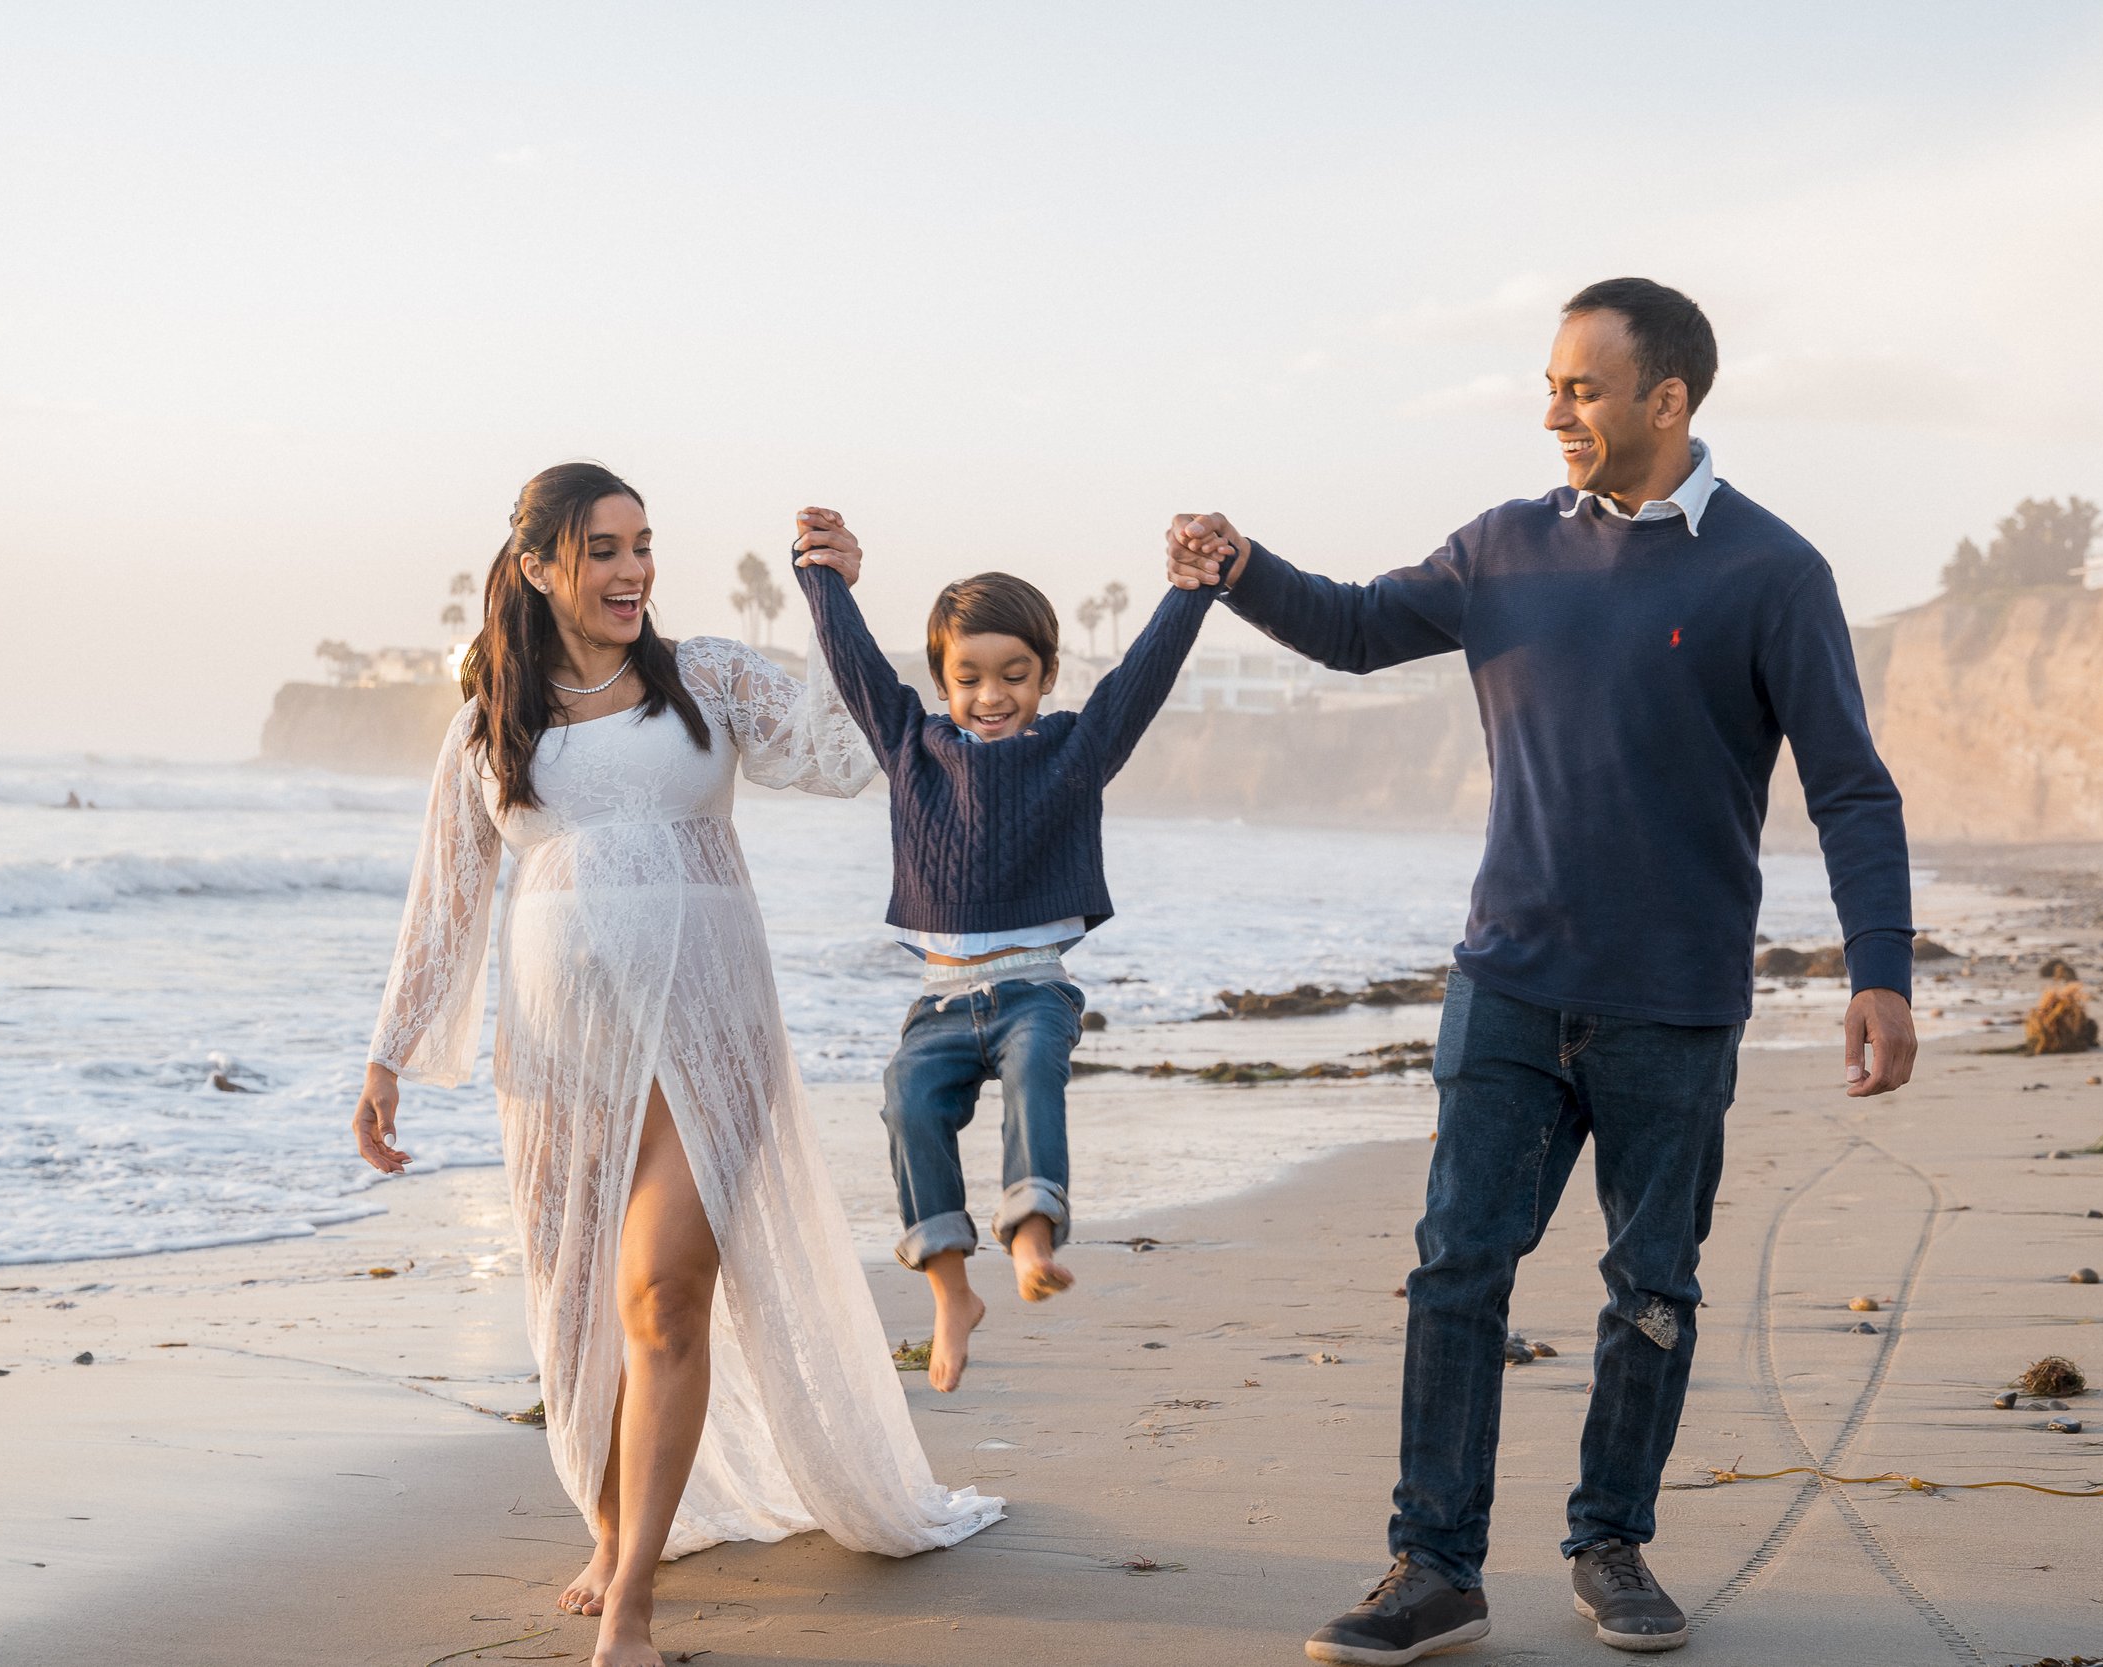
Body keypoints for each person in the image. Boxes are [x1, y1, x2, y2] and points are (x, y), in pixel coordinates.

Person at [1167, 278, 1919, 1663]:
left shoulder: (1771, 570)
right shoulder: (1504, 547)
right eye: (1553, 382)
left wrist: (1881, 965)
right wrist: (1240, 564)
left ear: (1667, 399)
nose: (1557, 407)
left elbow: (1851, 790)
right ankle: (1433, 1564)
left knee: (1651, 1283)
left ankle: (1610, 1542)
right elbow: (1349, 625)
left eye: (1583, 385)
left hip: (1675, 1003)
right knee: (1459, 1263)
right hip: (1507, 978)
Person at [352, 464, 999, 1667]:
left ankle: (635, 1599)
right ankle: (614, 1526)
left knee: (662, 1290)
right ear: (542, 562)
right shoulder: (490, 716)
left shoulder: (705, 678)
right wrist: (390, 1052)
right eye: (603, 548)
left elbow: (860, 744)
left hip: (707, 1030)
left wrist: (838, 600)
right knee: (578, 1304)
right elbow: (445, 894)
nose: (633, 569)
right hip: (558, 1051)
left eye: (643, 545)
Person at [791, 507, 1216, 1392]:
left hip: (1034, 991)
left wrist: (1189, 592)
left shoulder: (1074, 749)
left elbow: (1142, 678)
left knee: (1034, 1078)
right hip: (940, 1002)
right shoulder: (910, 745)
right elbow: (856, 664)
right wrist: (821, 573)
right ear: (942, 681)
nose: (991, 696)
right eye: (969, 677)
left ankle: (1032, 1238)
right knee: (907, 1097)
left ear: (1047, 674)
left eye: (1015, 676)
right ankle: (951, 1290)